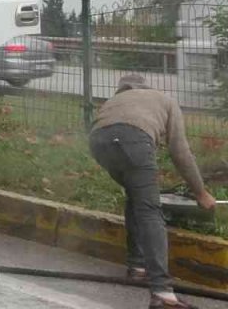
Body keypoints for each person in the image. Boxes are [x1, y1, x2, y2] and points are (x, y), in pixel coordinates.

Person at [89, 73, 217, 309]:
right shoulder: (164, 100)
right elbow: (181, 152)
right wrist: (201, 193)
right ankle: (162, 292)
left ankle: (137, 266)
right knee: (149, 210)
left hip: (98, 142)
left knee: (135, 196)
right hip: (133, 139)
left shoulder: (115, 100)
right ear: (145, 86)